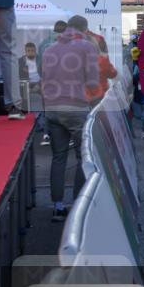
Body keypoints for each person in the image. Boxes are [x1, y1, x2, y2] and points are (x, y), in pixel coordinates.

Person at [40, 15, 99, 222]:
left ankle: (57, 206)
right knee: (83, 157)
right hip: (76, 107)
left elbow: (43, 79)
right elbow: (93, 81)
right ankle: (78, 206)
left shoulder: (49, 49)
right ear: (84, 28)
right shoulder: (86, 46)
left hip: (53, 109)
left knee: (58, 158)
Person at [19, 42, 44, 139]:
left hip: (39, 83)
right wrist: (27, 85)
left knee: (45, 98)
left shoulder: (40, 60)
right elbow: (19, 76)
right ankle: (28, 124)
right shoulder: (21, 61)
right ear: (25, 52)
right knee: (23, 97)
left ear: (35, 51)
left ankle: (41, 123)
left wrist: (39, 84)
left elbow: (45, 74)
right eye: (28, 51)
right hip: (26, 84)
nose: (30, 53)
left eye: (32, 51)